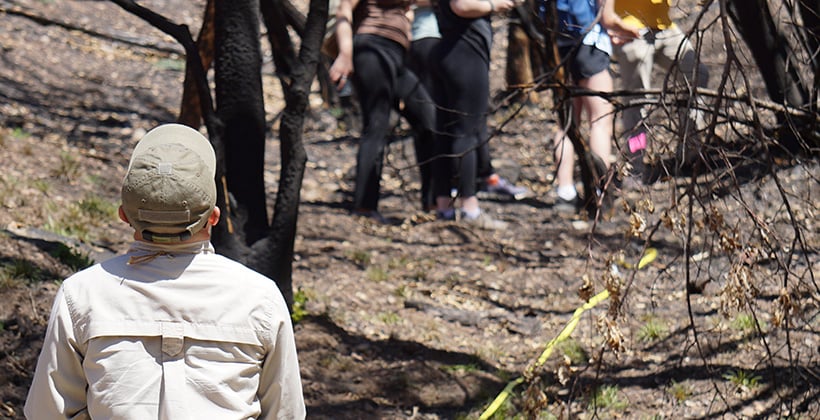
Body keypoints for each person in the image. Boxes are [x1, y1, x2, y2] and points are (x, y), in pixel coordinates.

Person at [25, 124, 306, 419]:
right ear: (213, 217)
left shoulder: (82, 294)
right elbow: (285, 413)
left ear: (123, 215)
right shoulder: (259, 297)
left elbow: (48, 412)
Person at [328, 0, 437, 222]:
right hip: (370, 46)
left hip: (397, 55)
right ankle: (365, 207)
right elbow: (344, 9)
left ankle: (432, 201)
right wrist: (345, 54)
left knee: (428, 119)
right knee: (377, 123)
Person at [430, 0, 523, 230]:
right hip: (465, 52)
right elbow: (461, 5)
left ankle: (444, 206)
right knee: (467, 134)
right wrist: (496, 5)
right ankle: (470, 208)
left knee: (445, 132)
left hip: (449, 50)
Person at [551, 0, 639, 212]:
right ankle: (600, 191)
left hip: (557, 46)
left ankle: (565, 192)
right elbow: (607, 17)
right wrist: (631, 30)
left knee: (566, 123)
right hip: (589, 46)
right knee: (600, 121)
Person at [609, 0, 709, 185]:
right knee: (636, 103)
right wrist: (608, 21)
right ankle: (634, 168)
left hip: (664, 26)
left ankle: (689, 153)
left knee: (697, 75)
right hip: (630, 28)